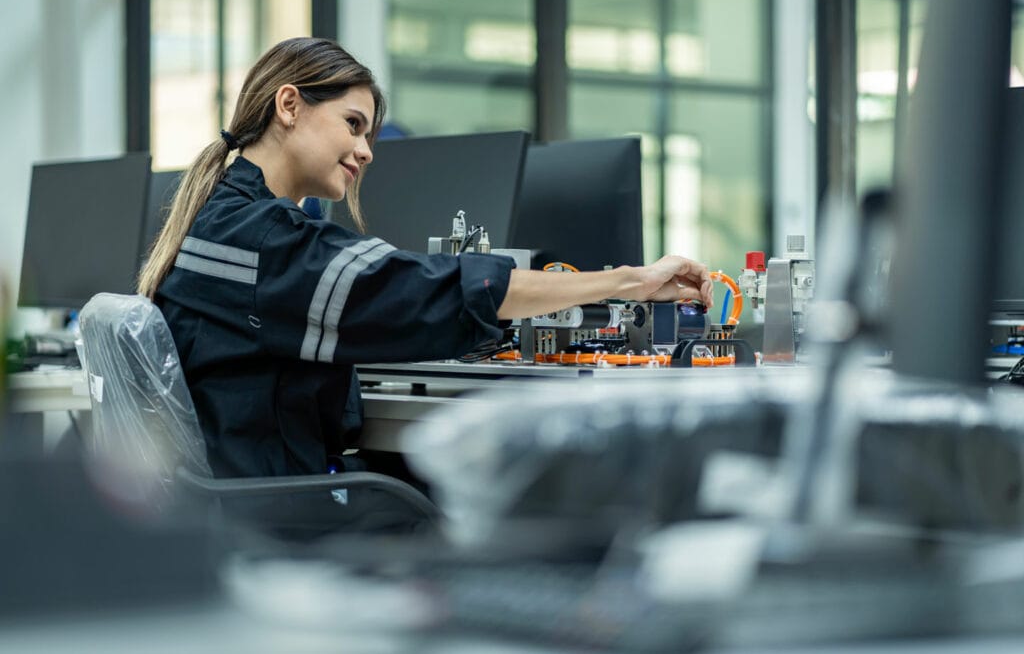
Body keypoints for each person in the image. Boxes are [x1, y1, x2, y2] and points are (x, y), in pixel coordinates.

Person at [138, 37, 713, 484]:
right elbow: (422, 288)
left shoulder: (217, 219)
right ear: (289, 104)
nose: (365, 151)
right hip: (278, 499)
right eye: (353, 124)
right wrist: (628, 281)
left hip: (244, 486)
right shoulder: (263, 237)